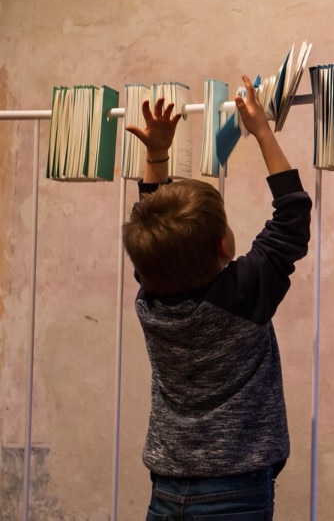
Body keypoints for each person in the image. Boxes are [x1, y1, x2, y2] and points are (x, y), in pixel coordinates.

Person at [122, 74, 312, 520]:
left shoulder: (152, 299)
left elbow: (154, 228)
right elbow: (292, 218)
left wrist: (156, 155)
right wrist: (263, 131)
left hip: (167, 488)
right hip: (235, 492)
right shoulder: (241, 296)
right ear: (225, 246)